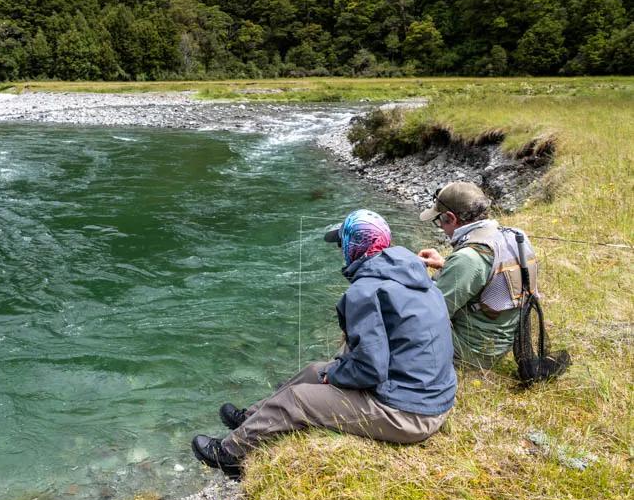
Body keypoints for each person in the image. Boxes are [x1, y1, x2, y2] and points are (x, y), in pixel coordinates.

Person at [191, 209, 457, 477]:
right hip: (429, 396)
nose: (341, 249)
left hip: (409, 415)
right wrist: (333, 372)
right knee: (314, 370)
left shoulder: (364, 291)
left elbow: (370, 370)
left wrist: (336, 375)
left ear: (355, 246)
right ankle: (252, 417)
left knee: (298, 400)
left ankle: (229, 454)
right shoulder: (409, 273)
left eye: (343, 243)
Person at [417, 182, 538, 369]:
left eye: (440, 221)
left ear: (451, 217)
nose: (441, 227)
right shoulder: (515, 236)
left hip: (471, 353)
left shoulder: (468, 258)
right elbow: (491, 278)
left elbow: (431, 315)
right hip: (500, 343)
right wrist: (445, 264)